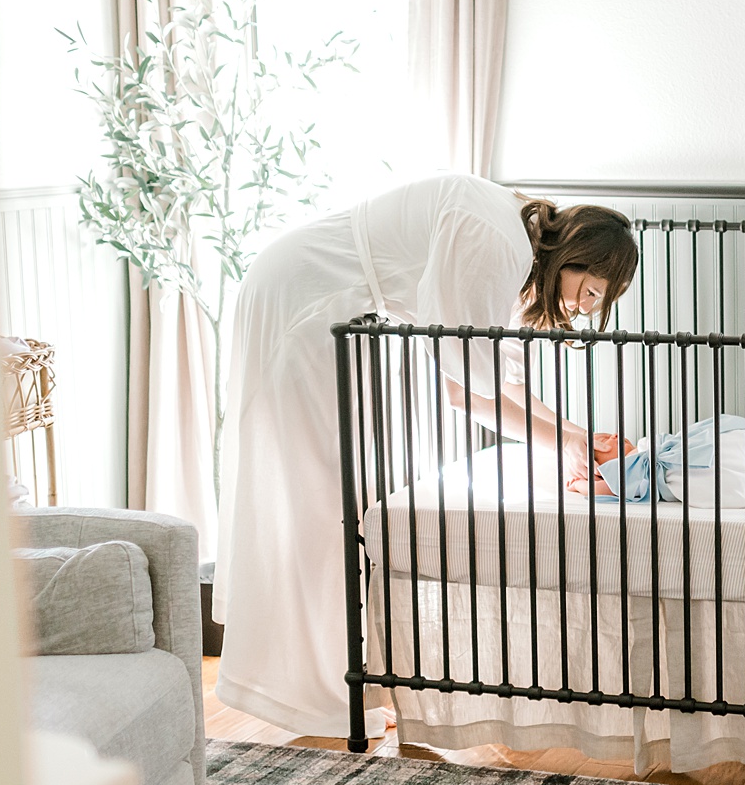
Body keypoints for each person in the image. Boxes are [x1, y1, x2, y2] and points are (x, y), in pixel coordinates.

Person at [213, 174, 639, 737]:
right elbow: (466, 391)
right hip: (306, 298)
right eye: (590, 294)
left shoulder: (512, 243)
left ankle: (345, 682)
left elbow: (496, 379)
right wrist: (565, 441)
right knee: (316, 498)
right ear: (576, 257)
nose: (583, 310)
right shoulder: (496, 241)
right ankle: (315, 694)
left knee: (339, 495)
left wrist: (572, 438)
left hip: (331, 305)